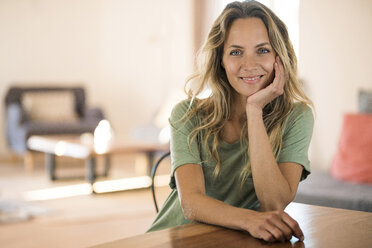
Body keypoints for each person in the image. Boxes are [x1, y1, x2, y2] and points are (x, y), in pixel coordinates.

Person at [147, 0, 314, 243]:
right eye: (236, 52)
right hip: (175, 238)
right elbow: (191, 203)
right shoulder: (186, 115)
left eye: (263, 50)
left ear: (280, 56)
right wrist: (249, 220)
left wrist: (254, 110)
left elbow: (274, 203)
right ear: (221, 60)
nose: (249, 65)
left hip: (237, 240)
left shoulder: (297, 117)